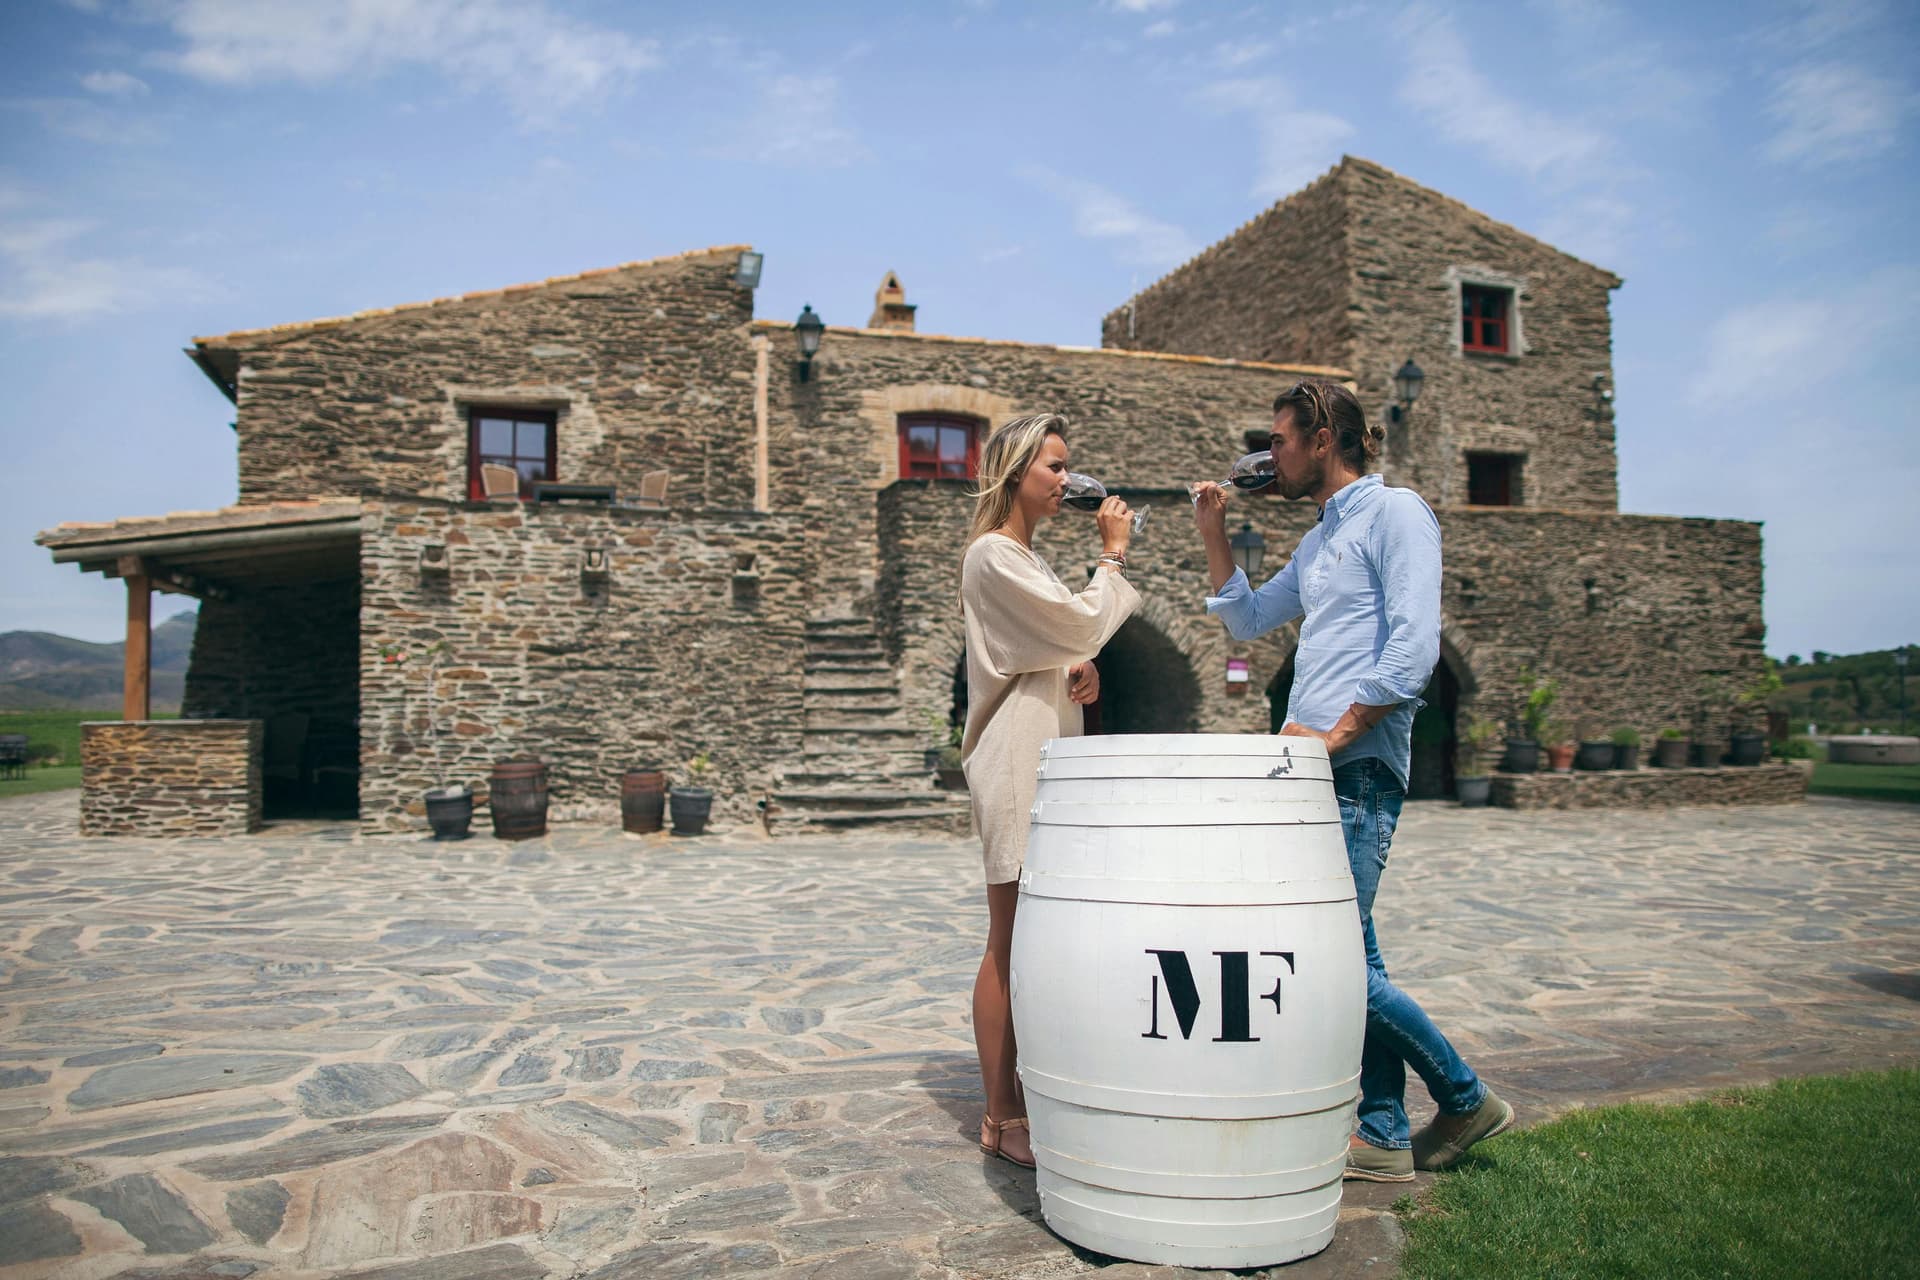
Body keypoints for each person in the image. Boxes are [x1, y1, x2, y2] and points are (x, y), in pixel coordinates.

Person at [1191, 379, 1510, 1181]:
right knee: (1354, 958)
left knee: (1328, 960)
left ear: (1324, 436)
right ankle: (1385, 1130)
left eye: (1282, 441)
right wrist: (1213, 532)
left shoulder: (1397, 514)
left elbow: (1413, 652)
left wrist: (1334, 737)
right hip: (1315, 772)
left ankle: (1465, 1099)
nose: (1272, 457)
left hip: (1356, 771)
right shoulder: (1323, 536)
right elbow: (1249, 621)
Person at [961, 412, 1140, 1168]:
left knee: (1036, 940)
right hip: (1014, 761)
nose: (1068, 480)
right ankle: (1002, 1118)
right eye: (1056, 467)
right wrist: (1115, 557)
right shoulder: (992, 556)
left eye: (1069, 467)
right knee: (1009, 941)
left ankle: (1028, 1099)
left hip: (1049, 755)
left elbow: (1062, 643)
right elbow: (1076, 621)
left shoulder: (1027, 560)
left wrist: (1083, 671)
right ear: (1016, 471)